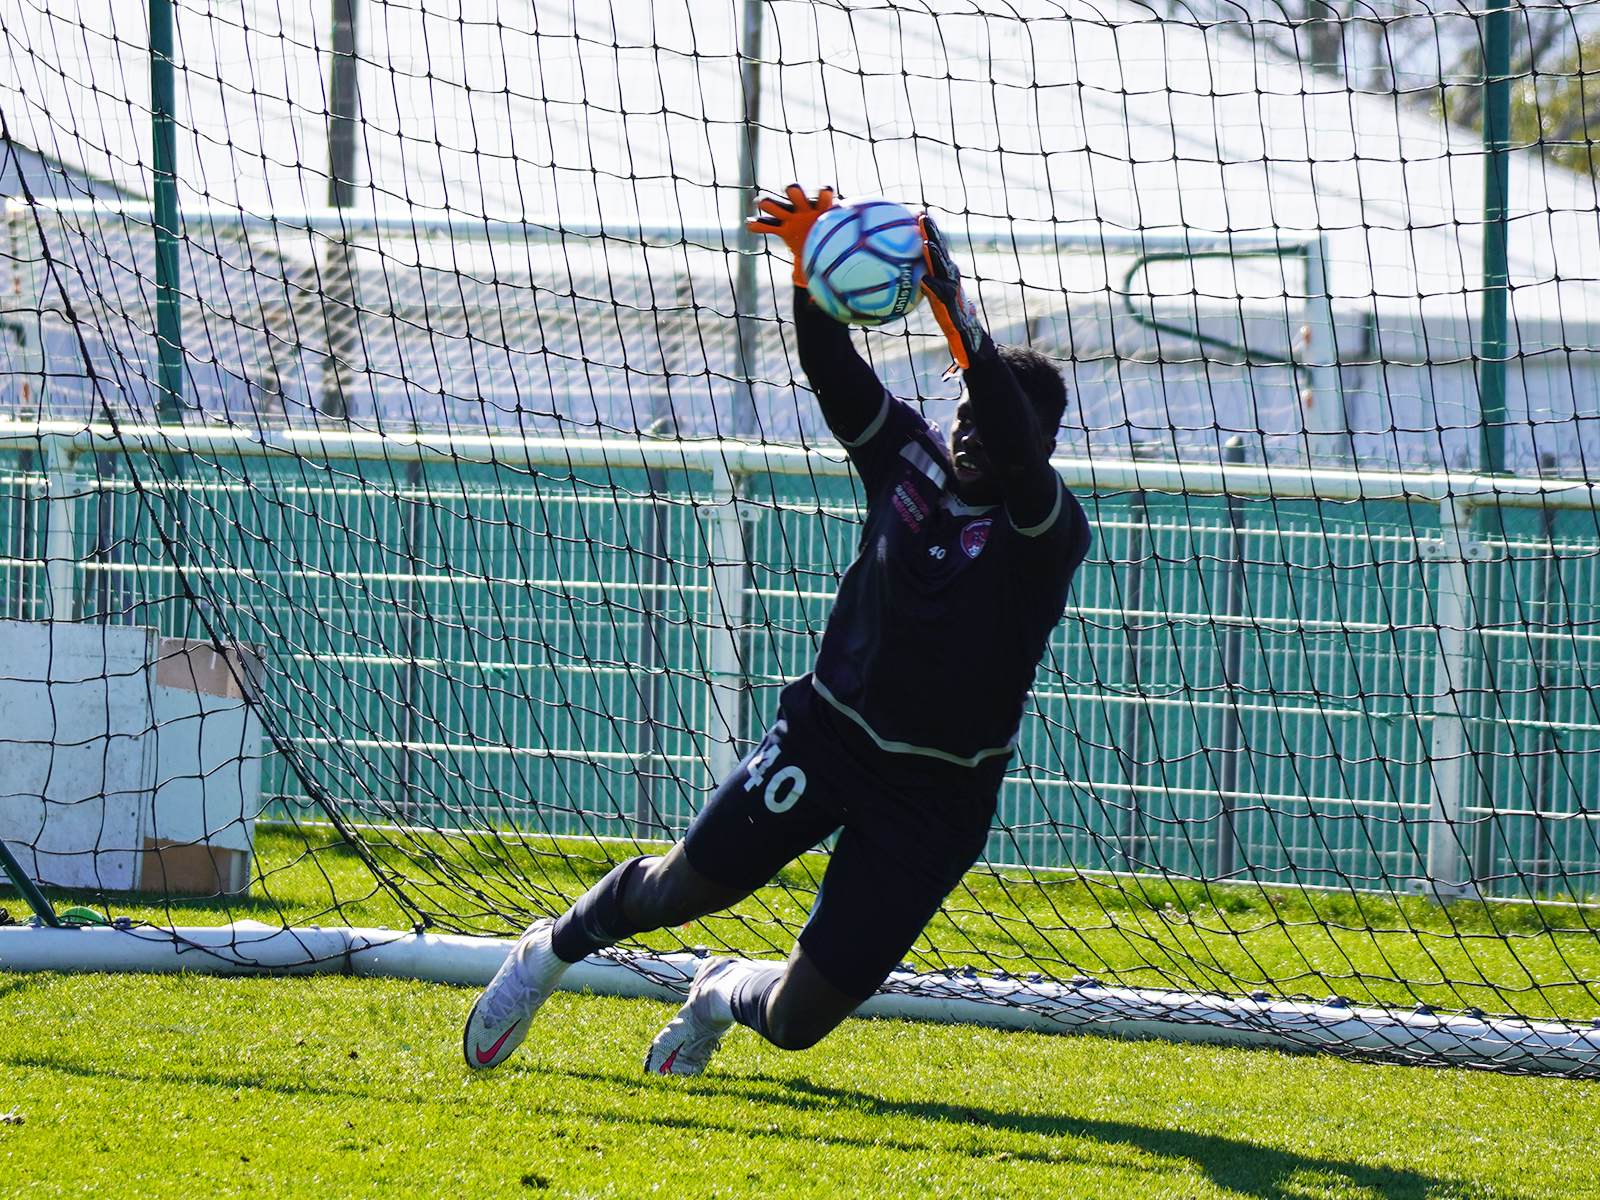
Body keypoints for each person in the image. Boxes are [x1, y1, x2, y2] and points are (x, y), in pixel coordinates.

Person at [462, 185, 1091, 1077]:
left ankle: (720, 992)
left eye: (997, 426)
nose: (973, 434)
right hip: (827, 738)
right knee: (684, 888)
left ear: (1046, 444)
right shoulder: (907, 460)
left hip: (937, 801)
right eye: (965, 418)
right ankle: (546, 954)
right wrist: (811, 274)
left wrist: (957, 311)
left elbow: (1015, 446)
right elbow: (834, 374)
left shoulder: (1048, 528)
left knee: (797, 1021)